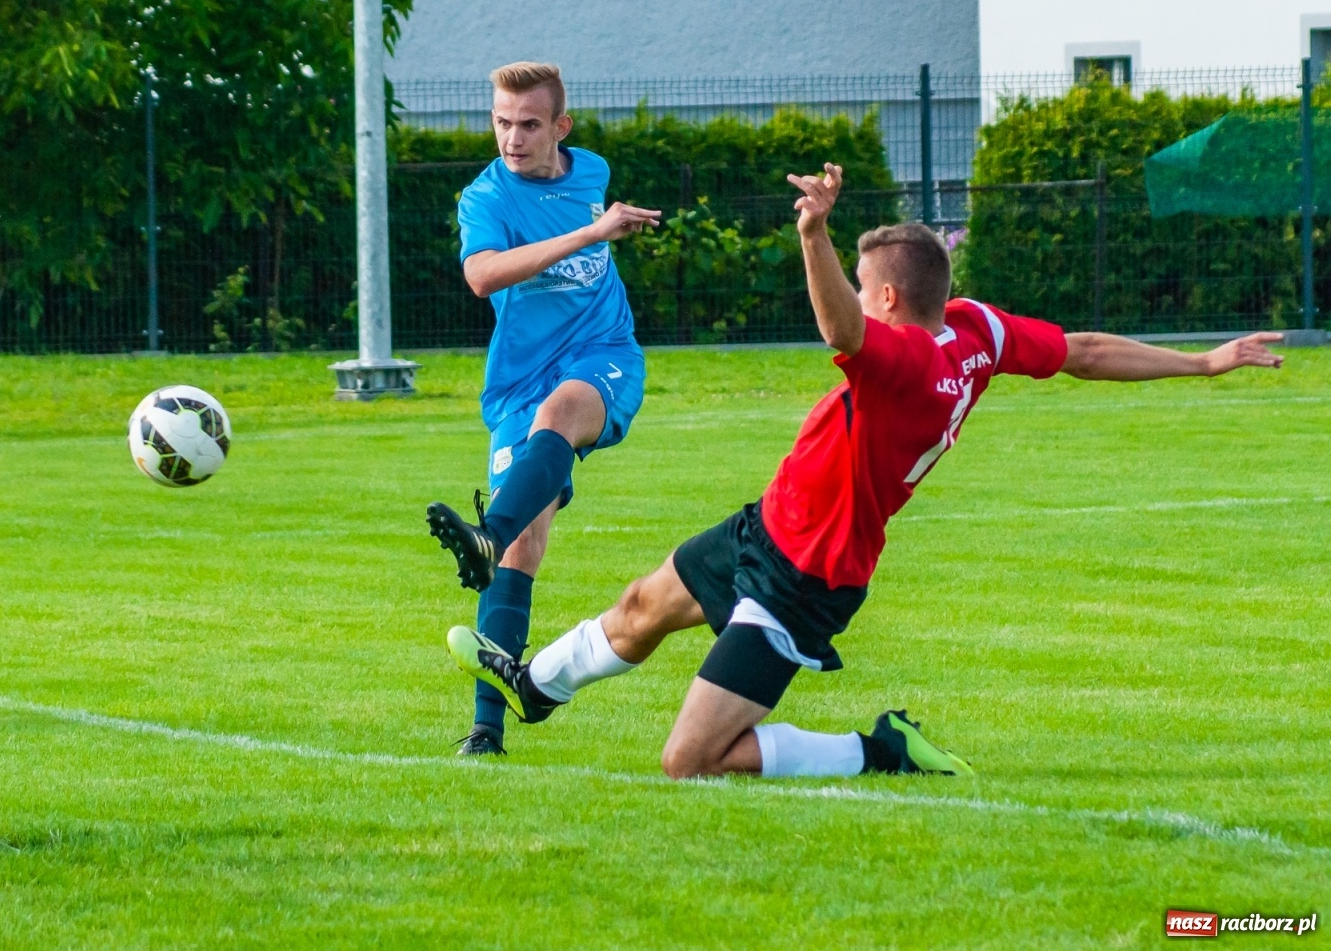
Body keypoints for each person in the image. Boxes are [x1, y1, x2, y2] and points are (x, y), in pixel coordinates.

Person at [447, 162, 1285, 780]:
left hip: (806, 579)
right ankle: (534, 685)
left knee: (690, 761)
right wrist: (1204, 364)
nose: (855, 284)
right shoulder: (977, 331)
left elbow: (840, 331)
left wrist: (813, 234)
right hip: (770, 526)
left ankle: (879, 749)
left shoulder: (904, 364)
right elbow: (1085, 350)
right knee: (638, 608)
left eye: (862, 278)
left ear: (886, 298)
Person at [426, 61, 661, 756]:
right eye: (502, 122)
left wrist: (601, 226)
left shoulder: (590, 170)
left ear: (560, 128)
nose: (512, 138)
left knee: (562, 412)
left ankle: (485, 533)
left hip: (602, 357)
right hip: (516, 383)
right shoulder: (484, 198)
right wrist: (594, 235)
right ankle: (486, 731)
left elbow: (589, 214)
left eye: (529, 124)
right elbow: (481, 275)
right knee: (523, 550)